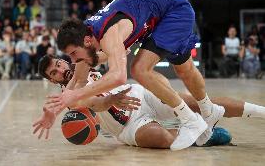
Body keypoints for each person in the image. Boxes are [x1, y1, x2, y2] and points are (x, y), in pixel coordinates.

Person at [55, 0, 225, 150]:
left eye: (73, 53)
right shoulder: (87, 32)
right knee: (184, 70)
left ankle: (191, 121)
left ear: (86, 41)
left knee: (140, 70)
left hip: (173, 11)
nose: (73, 60)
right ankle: (208, 109)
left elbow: (118, 77)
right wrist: (53, 110)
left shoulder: (108, 35)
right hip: (159, 18)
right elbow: (80, 74)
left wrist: (76, 94)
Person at [33, 55, 265, 148]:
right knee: (160, 139)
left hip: (140, 95)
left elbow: (107, 51)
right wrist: (113, 98)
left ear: (63, 60)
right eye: (53, 72)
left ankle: (261, 112)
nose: (59, 69)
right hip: (127, 125)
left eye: (58, 63)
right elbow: (96, 103)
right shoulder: (69, 97)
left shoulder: (82, 63)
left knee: (199, 102)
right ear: (52, 80)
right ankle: (202, 135)